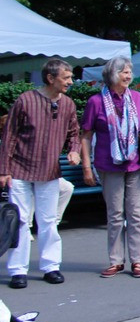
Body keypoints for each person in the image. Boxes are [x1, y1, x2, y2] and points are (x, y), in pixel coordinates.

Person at [0, 59, 81, 288]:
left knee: (48, 221)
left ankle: (51, 267)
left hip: (49, 172)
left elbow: (74, 133)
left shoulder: (68, 104)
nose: (70, 82)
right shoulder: (26, 100)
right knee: (22, 221)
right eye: (66, 78)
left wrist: (74, 151)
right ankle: (18, 271)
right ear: (50, 78)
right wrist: (3, 170)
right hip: (19, 170)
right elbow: (9, 136)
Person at [81, 56, 140, 278]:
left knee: (137, 214)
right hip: (108, 164)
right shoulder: (96, 102)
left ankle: (137, 261)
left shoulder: (138, 98)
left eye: (130, 71)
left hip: (136, 163)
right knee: (116, 214)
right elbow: (86, 135)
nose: (128, 75)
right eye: (123, 71)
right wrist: (86, 167)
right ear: (112, 75)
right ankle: (116, 260)